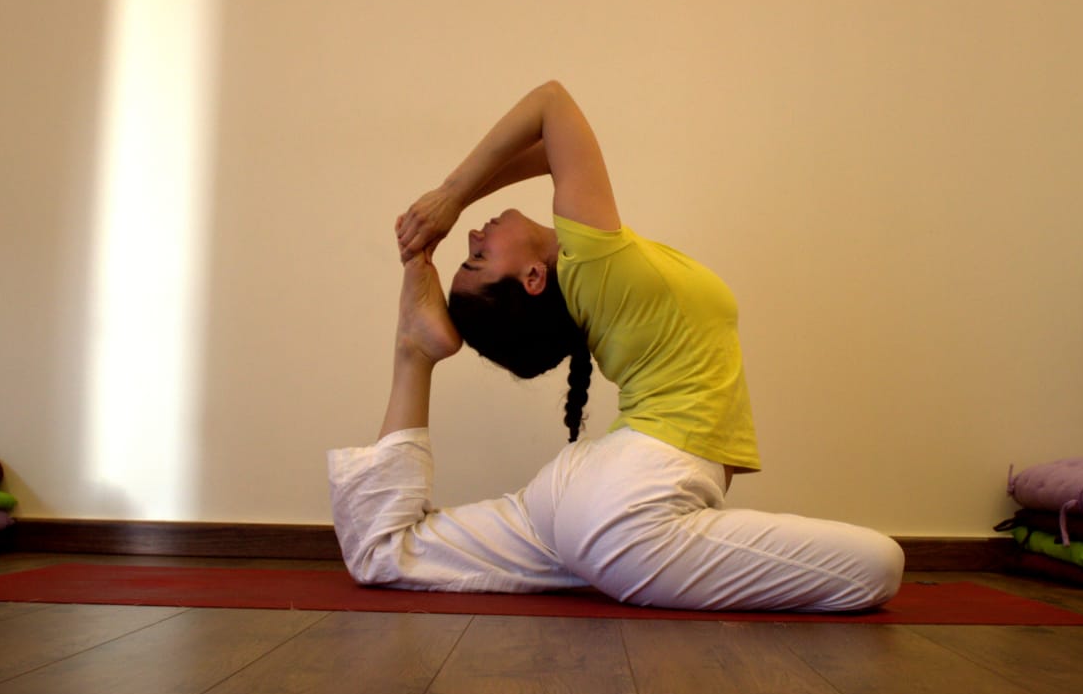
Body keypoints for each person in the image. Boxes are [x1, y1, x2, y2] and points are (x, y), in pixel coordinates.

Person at [328, 81, 904, 611]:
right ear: (534, 277)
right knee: (880, 566)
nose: (475, 232)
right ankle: (415, 347)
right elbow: (551, 104)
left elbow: (546, 151)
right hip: (627, 501)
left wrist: (452, 200)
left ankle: (413, 353)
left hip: (584, 495)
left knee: (388, 551)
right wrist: (450, 197)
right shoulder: (592, 262)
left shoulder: (596, 275)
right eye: (479, 256)